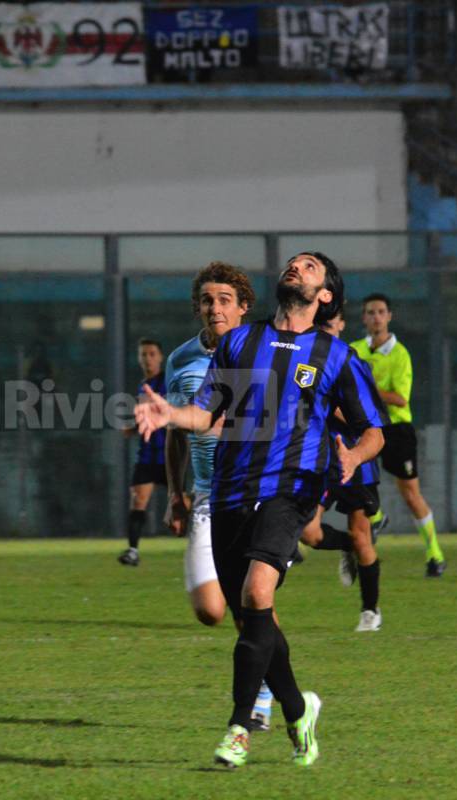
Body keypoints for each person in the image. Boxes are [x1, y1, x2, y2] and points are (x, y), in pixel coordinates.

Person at [135, 252, 385, 769]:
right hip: (227, 492)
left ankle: (239, 728)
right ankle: (298, 709)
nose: (296, 267)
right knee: (256, 618)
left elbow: (373, 432)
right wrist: (170, 414)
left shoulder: (336, 355)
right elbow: (205, 414)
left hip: (290, 491)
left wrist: (352, 455)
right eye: (294, 263)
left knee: (255, 593)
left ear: (326, 295)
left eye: (310, 266)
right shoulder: (238, 342)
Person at [164, 261, 277, 730]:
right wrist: (174, 491)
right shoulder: (179, 360)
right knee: (212, 609)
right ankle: (274, 692)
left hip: (256, 494)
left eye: (225, 300)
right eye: (208, 300)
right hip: (207, 497)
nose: (215, 308)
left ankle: (264, 698)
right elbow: (176, 432)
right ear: (198, 307)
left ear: (243, 307)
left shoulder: (264, 355)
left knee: (252, 599)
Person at [300, 310, 386, 632]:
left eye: (330, 324)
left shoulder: (352, 363)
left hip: (355, 460)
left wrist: (336, 406)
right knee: (309, 532)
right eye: (319, 325)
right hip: (321, 461)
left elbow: (372, 421)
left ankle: (370, 611)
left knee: (363, 535)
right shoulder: (306, 364)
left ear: (341, 325)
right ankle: (346, 546)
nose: (325, 330)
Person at [352, 293, 446, 578]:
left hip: (396, 430)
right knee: (352, 477)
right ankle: (376, 522)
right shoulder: (353, 350)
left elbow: (400, 399)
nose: (376, 317)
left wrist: (367, 387)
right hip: (366, 427)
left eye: (381, 311)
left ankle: (435, 554)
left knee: (410, 493)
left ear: (389, 316)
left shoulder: (400, 354)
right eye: (370, 312)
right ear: (364, 318)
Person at [118, 338, 167, 566]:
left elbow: (168, 414)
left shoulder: (167, 382)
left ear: (160, 357)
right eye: (143, 354)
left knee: (187, 503)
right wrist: (134, 428)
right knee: (138, 499)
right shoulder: (142, 385)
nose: (147, 358)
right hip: (148, 454)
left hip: (170, 455)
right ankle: (133, 551)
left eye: (152, 353)